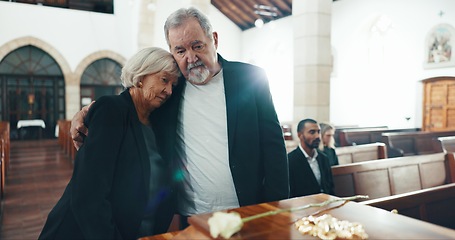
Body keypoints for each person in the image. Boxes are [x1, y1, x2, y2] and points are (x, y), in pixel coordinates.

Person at [70, 7, 289, 229]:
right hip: (190, 215)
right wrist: (86, 114)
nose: (191, 58)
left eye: (197, 46)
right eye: (180, 51)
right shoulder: (170, 88)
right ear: (172, 52)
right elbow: (130, 103)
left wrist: (273, 210)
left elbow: (274, 148)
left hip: (247, 209)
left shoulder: (251, 78)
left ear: (213, 39)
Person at [39, 47, 181, 239]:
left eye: (174, 84)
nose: (169, 91)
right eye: (164, 80)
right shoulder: (111, 109)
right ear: (141, 76)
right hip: (86, 232)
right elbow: (89, 194)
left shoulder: (156, 122)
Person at [288, 118, 335, 198]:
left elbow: (330, 188)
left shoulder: (323, 158)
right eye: (312, 132)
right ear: (300, 135)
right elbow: (291, 193)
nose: (317, 136)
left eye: (319, 132)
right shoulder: (290, 160)